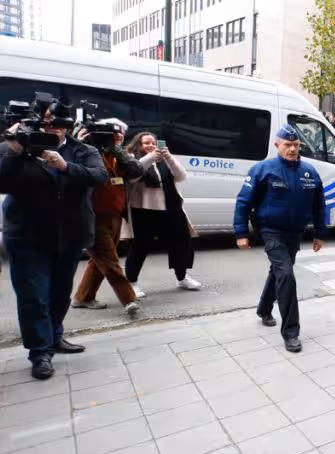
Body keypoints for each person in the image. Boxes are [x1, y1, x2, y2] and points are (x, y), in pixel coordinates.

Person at [0, 101, 107, 379]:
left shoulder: (83, 151)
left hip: (69, 235)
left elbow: (100, 177)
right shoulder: (15, 148)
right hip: (27, 237)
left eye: (60, 125)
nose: (53, 130)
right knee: (34, 298)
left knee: (59, 295)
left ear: (68, 127)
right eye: (47, 125)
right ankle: (40, 352)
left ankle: (54, 337)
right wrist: (14, 151)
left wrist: (65, 166)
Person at [234, 124, 327, 353]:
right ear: (277, 145)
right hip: (270, 231)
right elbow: (243, 202)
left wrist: (319, 233)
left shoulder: (309, 172)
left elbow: (319, 205)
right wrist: (241, 233)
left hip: (295, 233)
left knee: (278, 273)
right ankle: (291, 333)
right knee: (286, 274)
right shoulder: (262, 169)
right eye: (288, 145)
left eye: (296, 145)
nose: (292, 149)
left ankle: (264, 309)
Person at [72, 119, 144, 315]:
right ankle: (128, 299)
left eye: (121, 134)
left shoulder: (117, 154)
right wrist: (83, 144)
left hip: (114, 214)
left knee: (100, 259)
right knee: (109, 259)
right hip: (90, 215)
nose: (118, 137)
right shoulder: (85, 153)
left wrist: (116, 149)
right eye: (113, 134)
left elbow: (137, 170)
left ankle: (83, 297)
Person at [124, 133, 201, 297]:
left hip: (171, 205)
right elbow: (132, 176)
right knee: (140, 246)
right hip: (144, 208)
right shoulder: (132, 158)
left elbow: (181, 176)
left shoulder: (164, 159)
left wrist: (169, 157)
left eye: (153, 143)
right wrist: (151, 157)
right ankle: (131, 282)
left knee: (181, 241)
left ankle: (182, 277)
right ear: (138, 145)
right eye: (146, 143)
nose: (151, 146)